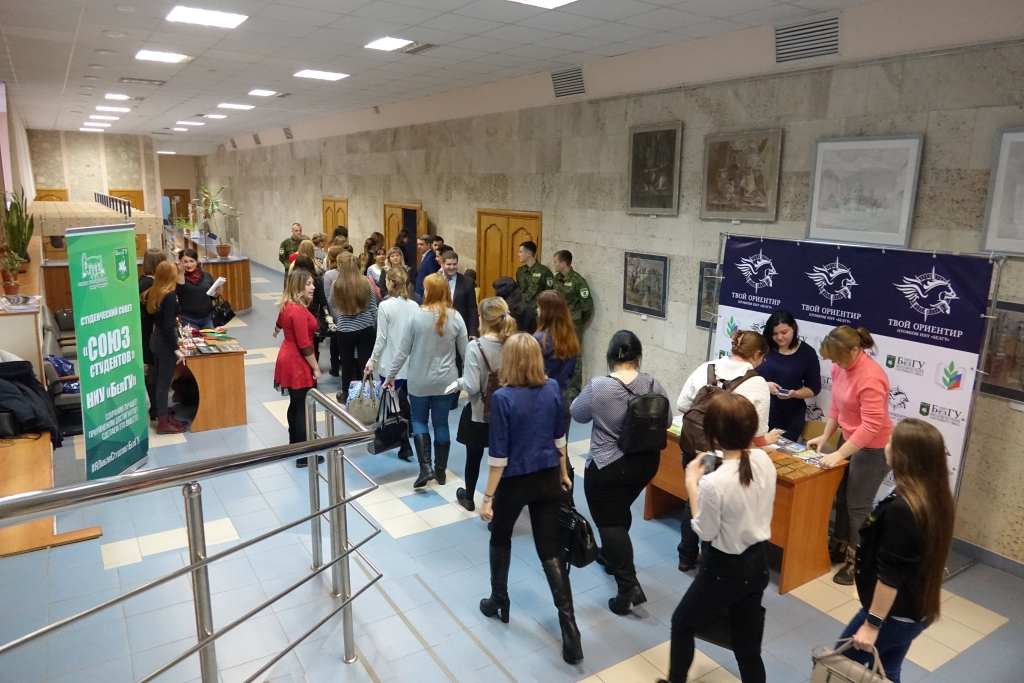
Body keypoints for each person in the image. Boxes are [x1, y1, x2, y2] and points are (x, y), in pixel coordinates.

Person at [478, 333, 582, 665]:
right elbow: (559, 437)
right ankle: (570, 630)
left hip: (514, 483)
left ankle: (499, 599)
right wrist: (563, 472)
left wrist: (487, 497)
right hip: (548, 476)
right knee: (550, 551)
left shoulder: (502, 398)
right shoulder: (551, 388)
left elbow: (498, 457)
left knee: (500, 537)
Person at [659, 392, 777, 683]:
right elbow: (741, 465)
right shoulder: (763, 459)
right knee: (747, 646)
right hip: (757, 564)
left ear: (711, 433)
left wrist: (692, 484)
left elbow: (706, 531)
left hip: (724, 570)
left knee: (682, 623)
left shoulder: (713, 483)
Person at [834, 419, 955, 683]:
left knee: (838, 667)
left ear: (904, 456)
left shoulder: (904, 509)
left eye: (891, 441)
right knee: (887, 672)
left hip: (893, 616)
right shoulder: (932, 496)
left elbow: (891, 574)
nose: (886, 445)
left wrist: (872, 624)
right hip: (914, 610)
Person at [571, 331, 672, 615]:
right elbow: (666, 420)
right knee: (619, 510)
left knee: (610, 523)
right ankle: (610, 556)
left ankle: (628, 587)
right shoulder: (652, 383)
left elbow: (577, 413)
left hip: (608, 466)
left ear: (610, 356)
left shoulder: (599, 386)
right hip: (646, 464)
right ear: (638, 356)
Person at [675, 330, 780, 571]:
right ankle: (710, 561)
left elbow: (682, 405)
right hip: (725, 455)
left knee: (694, 500)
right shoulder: (757, 383)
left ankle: (686, 556)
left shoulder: (707, 367)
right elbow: (756, 433)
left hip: (695, 449)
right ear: (756, 354)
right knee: (718, 511)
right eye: (763, 357)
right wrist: (766, 439)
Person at [808, 326, 894, 585]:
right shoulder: (840, 367)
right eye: (833, 359)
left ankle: (857, 561)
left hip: (874, 447)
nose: (835, 364)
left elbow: (871, 426)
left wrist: (840, 454)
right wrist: (826, 436)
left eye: (839, 359)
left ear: (856, 350)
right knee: (843, 497)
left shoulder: (871, 377)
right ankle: (841, 544)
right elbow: (837, 403)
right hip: (850, 439)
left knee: (858, 506)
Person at [383, 273, 468, 489]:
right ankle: (441, 471)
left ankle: (425, 467)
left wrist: (391, 376)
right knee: (441, 423)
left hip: (419, 380)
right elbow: (466, 353)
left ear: (431, 291)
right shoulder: (456, 317)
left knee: (419, 420)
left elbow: (403, 352)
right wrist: (467, 378)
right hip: (447, 381)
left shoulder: (416, 316)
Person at [455, 297, 517, 511]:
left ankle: (469, 497)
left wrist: (459, 383)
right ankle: (499, 502)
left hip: (479, 413)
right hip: (507, 414)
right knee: (501, 460)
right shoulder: (514, 344)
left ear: (485, 320)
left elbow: (472, 386)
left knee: (473, 458)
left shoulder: (476, 346)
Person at [365, 268, 419, 462]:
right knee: (403, 400)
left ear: (390, 283)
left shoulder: (385, 306)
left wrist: (371, 360)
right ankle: (407, 438)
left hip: (390, 364)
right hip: (410, 363)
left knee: (394, 402)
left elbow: (381, 338)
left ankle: (403, 444)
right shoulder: (414, 306)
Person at [274, 270, 322, 466]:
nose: (313, 287)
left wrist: (276, 330)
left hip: (287, 356)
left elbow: (279, 322)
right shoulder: (299, 311)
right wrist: (316, 368)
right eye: (308, 284)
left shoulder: (288, 305)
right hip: (298, 362)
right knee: (303, 407)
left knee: (295, 404)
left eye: (312, 283)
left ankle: (294, 445)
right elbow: (304, 345)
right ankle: (304, 455)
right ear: (298, 287)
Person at [757, 310, 821, 441]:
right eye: (775, 334)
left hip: (790, 417)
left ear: (793, 328)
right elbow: (746, 374)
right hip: (759, 411)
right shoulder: (763, 347)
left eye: (784, 332)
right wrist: (764, 385)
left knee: (780, 451)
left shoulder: (807, 353)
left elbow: (814, 387)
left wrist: (794, 394)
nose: (779, 337)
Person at [141, 261, 187, 434]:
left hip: (155, 339)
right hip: (165, 343)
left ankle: (163, 416)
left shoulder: (153, 292)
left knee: (160, 381)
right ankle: (163, 422)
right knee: (164, 383)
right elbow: (168, 326)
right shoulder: (169, 296)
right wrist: (176, 348)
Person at [325, 252, 379, 396]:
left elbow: (331, 303)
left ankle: (346, 394)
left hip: (345, 329)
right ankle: (368, 394)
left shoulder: (337, 284)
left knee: (347, 364)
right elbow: (373, 307)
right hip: (365, 328)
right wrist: (369, 320)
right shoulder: (365, 282)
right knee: (365, 363)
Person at [534, 290, 579, 441]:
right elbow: (572, 371)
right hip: (563, 396)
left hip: (541, 398)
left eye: (539, 307)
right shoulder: (571, 338)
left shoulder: (538, 341)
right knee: (561, 445)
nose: (537, 310)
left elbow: (531, 375)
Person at [552, 250, 593, 398]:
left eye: (555, 262)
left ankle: (574, 390)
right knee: (557, 352)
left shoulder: (578, 281)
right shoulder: (556, 279)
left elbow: (587, 306)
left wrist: (577, 320)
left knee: (575, 356)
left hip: (573, 324)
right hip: (558, 323)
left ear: (563, 263)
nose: (554, 264)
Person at [139, 248, 167, 421]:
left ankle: (156, 407)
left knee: (151, 369)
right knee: (152, 369)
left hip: (145, 331)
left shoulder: (143, 281)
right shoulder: (150, 285)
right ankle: (156, 408)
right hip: (149, 333)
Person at [292, 255, 331, 361]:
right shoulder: (317, 280)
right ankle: (314, 364)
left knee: (298, 340)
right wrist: (327, 315)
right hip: (313, 315)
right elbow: (323, 300)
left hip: (297, 314)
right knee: (313, 343)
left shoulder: (294, 280)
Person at [175, 248, 220, 330]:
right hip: (187, 319)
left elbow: (211, 297)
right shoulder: (178, 277)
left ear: (196, 261)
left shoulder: (207, 275)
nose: (189, 265)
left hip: (207, 318)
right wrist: (181, 273)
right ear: (180, 262)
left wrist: (216, 293)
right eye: (185, 262)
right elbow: (178, 293)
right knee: (193, 338)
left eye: (192, 261)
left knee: (211, 338)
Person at [515, 240, 553, 307]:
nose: (518, 254)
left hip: (538, 309)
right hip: (523, 309)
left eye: (521, 252)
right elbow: (517, 291)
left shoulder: (544, 271)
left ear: (528, 254)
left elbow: (550, 293)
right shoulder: (520, 271)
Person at [414, 234, 440, 301]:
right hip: (419, 292)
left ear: (428, 245)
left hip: (424, 293)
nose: (419, 246)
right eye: (418, 244)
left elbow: (432, 276)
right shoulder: (425, 255)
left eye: (421, 244)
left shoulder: (431, 257)